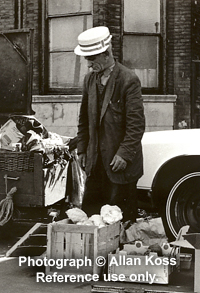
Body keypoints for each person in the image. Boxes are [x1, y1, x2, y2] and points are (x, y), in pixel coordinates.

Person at [74, 26, 145, 223]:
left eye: (91, 59)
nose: (88, 64)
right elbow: (83, 119)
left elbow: (136, 125)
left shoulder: (128, 80)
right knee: (92, 219)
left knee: (119, 221)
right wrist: (82, 149)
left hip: (119, 165)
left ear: (106, 54)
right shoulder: (90, 80)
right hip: (96, 164)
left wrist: (124, 153)